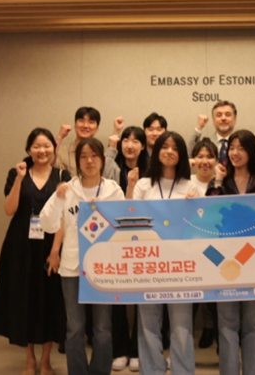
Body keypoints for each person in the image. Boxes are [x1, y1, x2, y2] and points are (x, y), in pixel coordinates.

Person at [39, 137, 125, 375]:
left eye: (94, 156)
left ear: (102, 159)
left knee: (103, 327)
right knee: (75, 327)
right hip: (72, 266)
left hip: (103, 267)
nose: (89, 161)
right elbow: (47, 224)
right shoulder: (68, 189)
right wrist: (58, 198)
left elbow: (123, 227)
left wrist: (103, 212)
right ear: (77, 161)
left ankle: (100, 371)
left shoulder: (113, 190)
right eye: (84, 157)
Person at [0, 128, 68, 375]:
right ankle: (30, 361)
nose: (42, 150)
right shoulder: (17, 173)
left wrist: (55, 251)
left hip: (51, 246)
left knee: (50, 302)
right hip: (20, 246)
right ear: (28, 150)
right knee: (23, 301)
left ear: (53, 148)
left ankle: (45, 361)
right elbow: (9, 209)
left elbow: (64, 216)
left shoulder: (62, 176)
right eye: (36, 146)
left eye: (46, 145)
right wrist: (19, 180)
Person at [131, 131, 204, 375]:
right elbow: (133, 220)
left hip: (182, 264)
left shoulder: (191, 186)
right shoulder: (143, 185)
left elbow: (202, 225)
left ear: (181, 154)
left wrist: (195, 206)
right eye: (164, 147)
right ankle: (152, 369)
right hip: (149, 261)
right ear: (156, 152)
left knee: (181, 325)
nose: (169, 152)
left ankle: (183, 370)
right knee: (148, 323)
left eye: (175, 148)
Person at [206, 130, 255, 375]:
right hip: (224, 259)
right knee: (227, 322)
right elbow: (210, 211)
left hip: (254, 258)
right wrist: (218, 180)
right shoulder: (221, 183)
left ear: (251, 151)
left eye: (241, 148)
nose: (235, 152)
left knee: (254, 322)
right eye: (232, 147)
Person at [111, 126, 147, 371]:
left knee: (142, 299)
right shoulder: (112, 170)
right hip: (113, 240)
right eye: (126, 140)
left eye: (135, 141)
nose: (130, 145)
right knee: (116, 297)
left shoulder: (150, 172)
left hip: (144, 240)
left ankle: (137, 350)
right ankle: (120, 349)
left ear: (143, 146)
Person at [189, 138, 220, 349]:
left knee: (216, 302)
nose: (205, 161)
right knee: (189, 303)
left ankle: (221, 347)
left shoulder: (222, 183)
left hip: (216, 250)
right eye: (200, 156)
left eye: (210, 157)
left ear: (217, 160)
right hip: (190, 250)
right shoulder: (185, 182)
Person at [55, 106, 122, 182]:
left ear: (97, 128)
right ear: (75, 125)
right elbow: (49, 165)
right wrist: (60, 137)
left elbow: (107, 172)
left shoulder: (100, 155)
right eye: (81, 121)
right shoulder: (61, 152)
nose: (85, 125)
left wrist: (116, 131)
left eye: (91, 122)